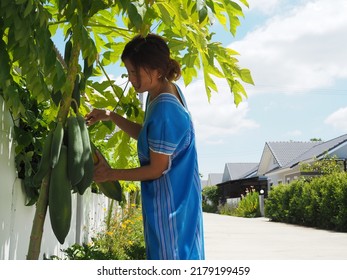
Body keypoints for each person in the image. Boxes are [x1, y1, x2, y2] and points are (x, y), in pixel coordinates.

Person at [85, 33, 205, 260]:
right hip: (181, 195)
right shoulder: (163, 90)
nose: (130, 78)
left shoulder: (165, 110)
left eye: (134, 71)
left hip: (171, 205)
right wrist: (111, 116)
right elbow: (150, 137)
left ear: (156, 70)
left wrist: (111, 174)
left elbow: (156, 169)